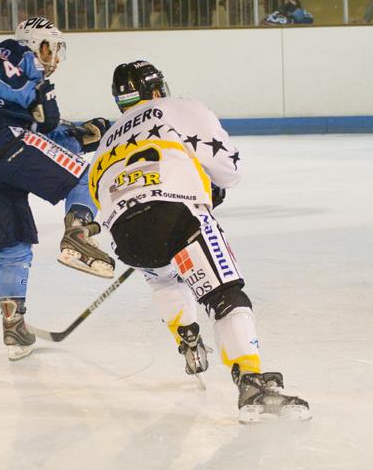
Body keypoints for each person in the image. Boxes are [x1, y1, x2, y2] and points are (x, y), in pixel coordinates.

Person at [87, 60, 311, 422]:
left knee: (163, 275)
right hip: (178, 214)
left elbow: (101, 197)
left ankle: (186, 336)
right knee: (223, 293)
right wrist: (208, 188)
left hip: (125, 234)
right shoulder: (179, 107)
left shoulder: (106, 140)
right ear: (156, 89)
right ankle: (251, 381)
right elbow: (228, 170)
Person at [0, 17, 116, 361]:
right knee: (84, 178)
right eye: (50, 47)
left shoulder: (23, 92)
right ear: (34, 43)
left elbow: (46, 131)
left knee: (13, 248)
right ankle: (78, 235)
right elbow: (42, 114)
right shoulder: (12, 51)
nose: (54, 56)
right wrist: (45, 97)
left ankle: (14, 327)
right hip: (1, 139)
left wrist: (82, 134)